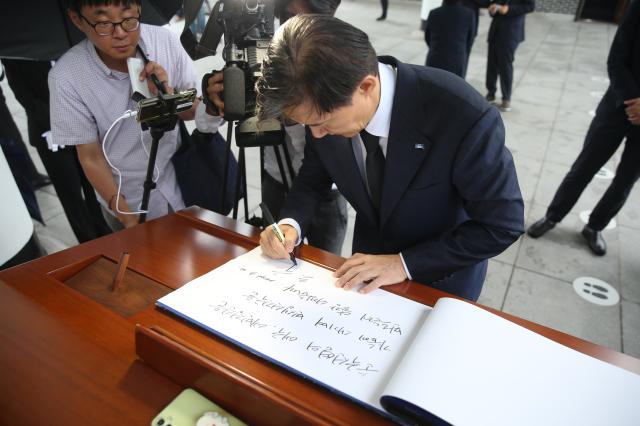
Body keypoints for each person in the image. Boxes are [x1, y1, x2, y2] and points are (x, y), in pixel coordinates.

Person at [256, 15, 524, 301]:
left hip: (441, 282)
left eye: (322, 122)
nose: (317, 135)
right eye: (308, 125)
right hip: (364, 273)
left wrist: (404, 263)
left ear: (366, 87)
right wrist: (290, 224)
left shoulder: (461, 115)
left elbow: (501, 224)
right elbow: (313, 178)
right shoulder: (321, 106)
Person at [203, 0, 347, 256]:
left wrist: (290, 113)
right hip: (274, 179)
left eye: (308, 19)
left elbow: (322, 157)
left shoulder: (342, 62)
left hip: (326, 190)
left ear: (330, 13)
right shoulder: (268, 55)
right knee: (274, 255)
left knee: (326, 263)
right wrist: (217, 101)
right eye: (289, 17)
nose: (297, 28)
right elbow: (208, 125)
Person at [49, 0, 201, 230]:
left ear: (139, 8)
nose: (120, 34)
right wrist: (127, 217)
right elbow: (90, 156)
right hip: (126, 197)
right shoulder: (66, 77)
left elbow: (193, 112)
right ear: (77, 20)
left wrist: (168, 94)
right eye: (103, 24)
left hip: (181, 177)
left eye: (129, 19)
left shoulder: (163, 41)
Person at [527, 0, 640, 256]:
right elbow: (617, 60)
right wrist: (634, 102)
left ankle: (595, 226)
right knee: (585, 166)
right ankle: (553, 216)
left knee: (625, 181)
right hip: (617, 105)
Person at [2, 58, 112, 243]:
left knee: (92, 183)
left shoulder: (64, 43)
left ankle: (103, 228)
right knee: (70, 193)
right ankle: (87, 240)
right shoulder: (17, 55)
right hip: (49, 133)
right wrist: (58, 119)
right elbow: (22, 93)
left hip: (81, 124)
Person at [485, 0, 535, 112]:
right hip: (496, 30)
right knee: (491, 64)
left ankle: (506, 99)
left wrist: (509, 9)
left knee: (505, 66)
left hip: (511, 32)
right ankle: (491, 93)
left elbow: (530, 6)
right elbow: (495, 2)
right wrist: (493, 8)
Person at [424, 0, 476, 78]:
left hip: (435, 59)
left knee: (432, 87)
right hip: (457, 61)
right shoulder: (469, 14)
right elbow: (470, 41)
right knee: (455, 88)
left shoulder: (434, 13)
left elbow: (427, 37)